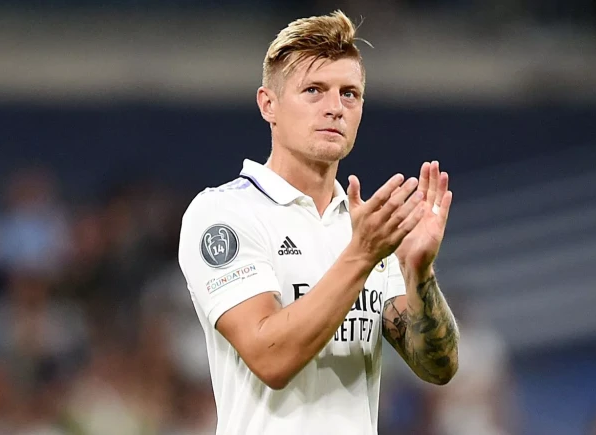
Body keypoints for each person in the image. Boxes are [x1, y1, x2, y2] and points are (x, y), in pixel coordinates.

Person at [177, 10, 459, 435]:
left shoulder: (366, 227)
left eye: (350, 94)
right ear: (268, 104)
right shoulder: (223, 213)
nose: (335, 108)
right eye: (314, 90)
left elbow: (437, 367)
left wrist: (419, 272)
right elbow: (270, 358)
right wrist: (361, 255)